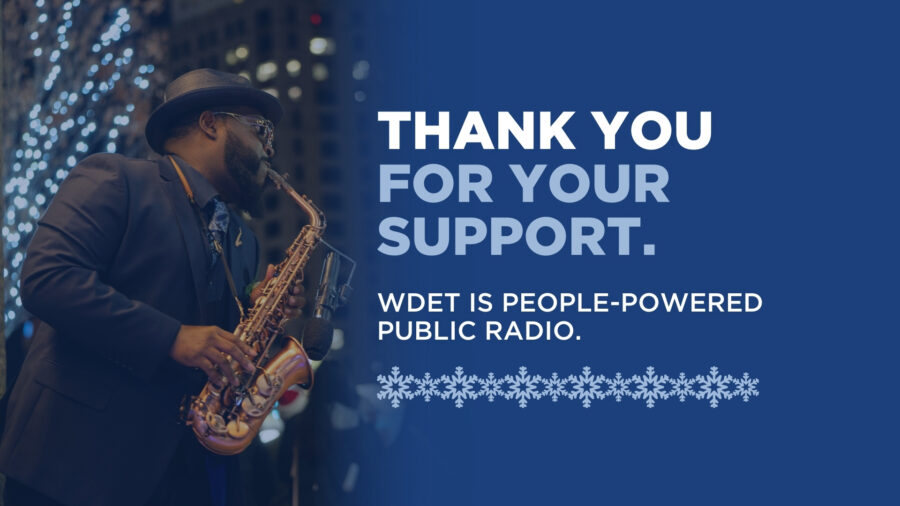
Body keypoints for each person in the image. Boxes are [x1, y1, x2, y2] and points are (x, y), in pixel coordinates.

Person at [0, 69, 308, 506]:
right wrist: (172, 337)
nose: (269, 148)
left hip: (186, 473)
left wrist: (257, 311)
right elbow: (48, 278)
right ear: (210, 123)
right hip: (77, 465)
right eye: (260, 130)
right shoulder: (115, 177)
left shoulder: (244, 240)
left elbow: (214, 346)